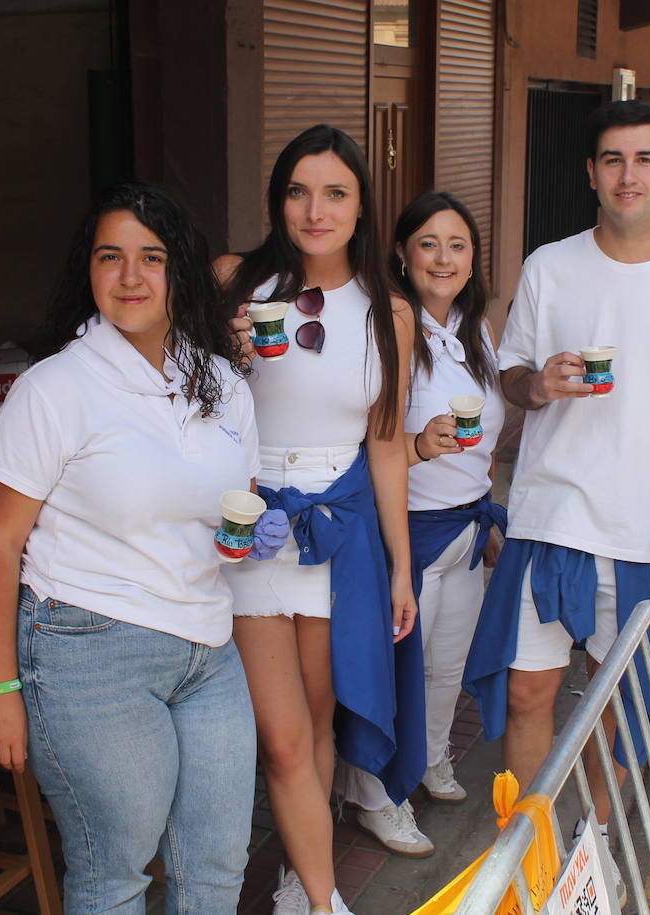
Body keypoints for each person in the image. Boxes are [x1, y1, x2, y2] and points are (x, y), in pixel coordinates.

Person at [0, 180, 268, 912]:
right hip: (89, 648)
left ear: (181, 272)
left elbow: (232, 500)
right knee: (116, 871)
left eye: (152, 257)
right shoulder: (54, 389)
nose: (131, 276)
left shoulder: (224, 384)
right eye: (111, 256)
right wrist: (0, 688)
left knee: (217, 864)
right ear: (89, 270)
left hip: (207, 644)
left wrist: (249, 534)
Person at [463, 99, 650, 833]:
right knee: (529, 696)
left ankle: (585, 843)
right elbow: (512, 375)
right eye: (614, 160)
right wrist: (539, 385)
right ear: (591, 173)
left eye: (644, 159)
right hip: (549, 518)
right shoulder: (550, 266)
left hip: (644, 529)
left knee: (616, 708)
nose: (629, 175)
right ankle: (533, 855)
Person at [216, 124, 419, 915]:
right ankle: (328, 899)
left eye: (334, 191)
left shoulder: (389, 312)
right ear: (278, 201)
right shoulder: (233, 282)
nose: (315, 209)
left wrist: (401, 565)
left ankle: (306, 876)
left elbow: (389, 446)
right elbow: (182, 402)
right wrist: (219, 353)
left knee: (321, 722)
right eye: (298, 190)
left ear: (362, 204)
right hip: (251, 527)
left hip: (341, 535)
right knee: (284, 735)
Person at [340, 191, 507, 857]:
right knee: (392, 671)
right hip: (404, 526)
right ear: (403, 255)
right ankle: (375, 797)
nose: (444, 256)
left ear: (472, 261)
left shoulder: (474, 327)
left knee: (444, 667)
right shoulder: (391, 327)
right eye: (429, 243)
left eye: (458, 244)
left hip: (464, 526)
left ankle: (432, 757)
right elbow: (364, 441)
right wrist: (419, 445)